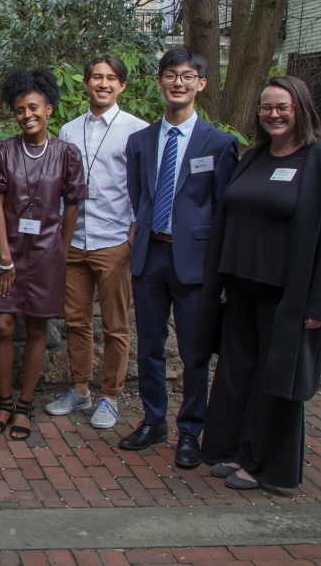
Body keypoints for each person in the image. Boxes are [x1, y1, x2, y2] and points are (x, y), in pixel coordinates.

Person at [196, 76, 321, 490]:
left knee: (276, 380)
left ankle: (268, 466)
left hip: (287, 294)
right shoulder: (254, 157)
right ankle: (236, 450)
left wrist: (320, 304)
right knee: (237, 373)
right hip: (241, 285)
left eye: (282, 107)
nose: (273, 114)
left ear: (301, 110)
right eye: (266, 107)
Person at [121, 46, 238, 467]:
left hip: (195, 262)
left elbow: (223, 206)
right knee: (149, 346)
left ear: (201, 84)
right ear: (159, 82)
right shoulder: (141, 141)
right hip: (151, 257)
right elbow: (140, 196)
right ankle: (154, 421)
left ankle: (190, 430)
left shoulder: (220, 144)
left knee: (194, 351)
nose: (178, 83)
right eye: (171, 75)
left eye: (188, 76)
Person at [0, 68, 87, 440]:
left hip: (46, 254)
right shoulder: (1, 150)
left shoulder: (66, 154)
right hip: (6, 252)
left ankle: (25, 405)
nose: (27, 115)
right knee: (4, 324)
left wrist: (61, 247)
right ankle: (4, 401)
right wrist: (5, 258)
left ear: (50, 109)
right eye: (20, 109)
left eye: (34, 108)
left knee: (38, 326)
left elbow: (72, 205)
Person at [46, 56, 147, 429]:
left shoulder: (137, 130)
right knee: (76, 322)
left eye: (111, 78)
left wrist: (135, 230)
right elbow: (60, 185)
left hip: (114, 241)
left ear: (121, 85)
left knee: (116, 326)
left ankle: (110, 396)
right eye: (96, 77)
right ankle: (80, 390)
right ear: (86, 82)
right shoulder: (69, 130)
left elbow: (143, 186)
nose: (103, 84)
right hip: (74, 242)